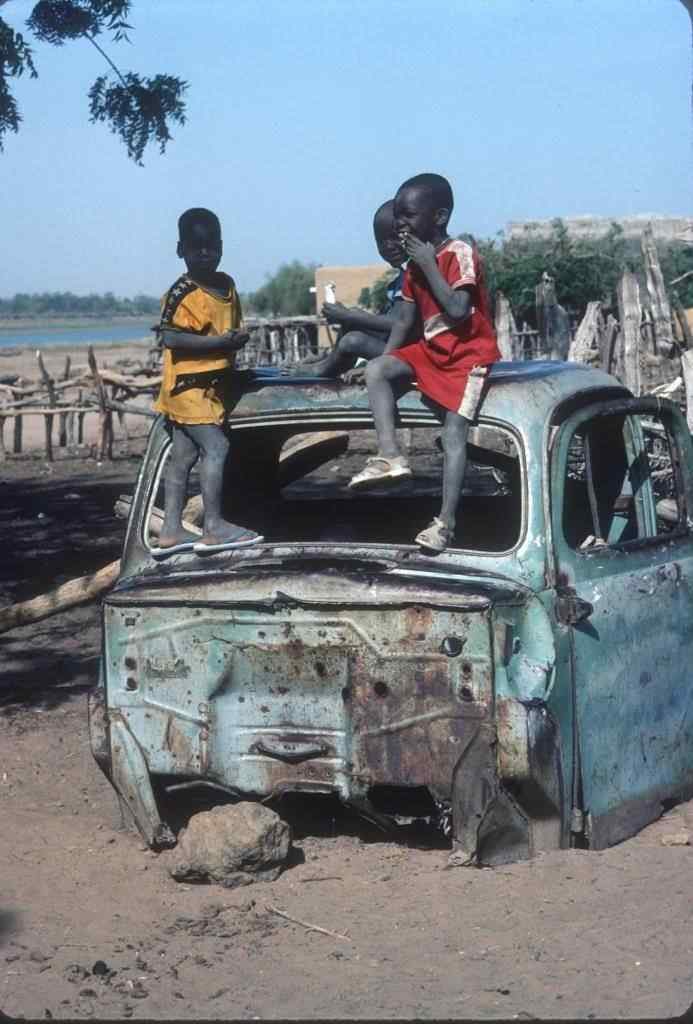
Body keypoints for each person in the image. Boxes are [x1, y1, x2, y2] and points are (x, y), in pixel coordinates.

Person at [348, 173, 501, 553]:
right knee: (378, 371)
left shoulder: (458, 253)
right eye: (398, 215)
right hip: (432, 351)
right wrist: (388, 357)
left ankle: (445, 523)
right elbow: (403, 321)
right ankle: (389, 454)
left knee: (453, 434)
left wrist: (429, 264)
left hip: (467, 355)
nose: (400, 223)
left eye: (409, 215)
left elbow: (458, 310)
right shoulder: (414, 266)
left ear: (439, 216)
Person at [152, 207, 263, 558]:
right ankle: (213, 526)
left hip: (211, 386)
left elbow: (229, 330)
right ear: (180, 249)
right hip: (188, 387)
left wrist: (232, 348)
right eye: (195, 246)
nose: (205, 253)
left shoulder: (227, 285)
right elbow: (171, 339)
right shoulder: (181, 292)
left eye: (211, 245)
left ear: (221, 245)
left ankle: (171, 529)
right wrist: (221, 344)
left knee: (183, 454)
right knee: (216, 448)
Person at [290, 200, 413, 378]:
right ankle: (330, 360)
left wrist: (350, 315)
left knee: (352, 340)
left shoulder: (414, 275)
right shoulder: (401, 276)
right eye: (381, 241)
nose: (388, 246)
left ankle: (323, 368)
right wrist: (350, 316)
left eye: (394, 238)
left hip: (409, 355)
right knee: (353, 321)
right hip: (396, 349)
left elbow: (399, 323)